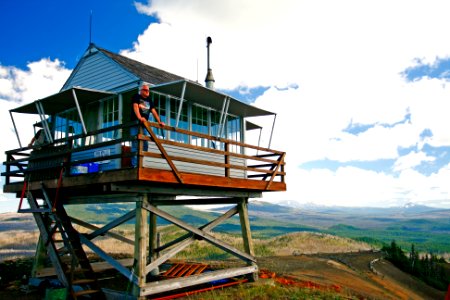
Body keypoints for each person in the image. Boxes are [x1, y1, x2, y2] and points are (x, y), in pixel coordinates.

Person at [130, 82, 165, 166]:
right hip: (135, 123)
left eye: (148, 91)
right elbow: (135, 107)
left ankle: (141, 163)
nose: (147, 92)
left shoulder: (149, 100)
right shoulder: (136, 97)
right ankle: (134, 165)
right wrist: (139, 117)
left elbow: (154, 112)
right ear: (141, 91)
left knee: (145, 144)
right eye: (145, 90)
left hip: (144, 125)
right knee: (135, 143)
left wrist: (159, 121)